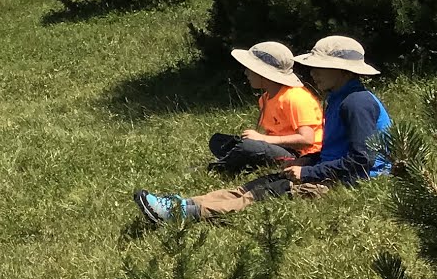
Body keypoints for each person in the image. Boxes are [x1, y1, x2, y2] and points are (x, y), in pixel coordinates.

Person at [136, 34, 391, 223]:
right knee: (253, 186)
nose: (313, 72)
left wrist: (310, 171)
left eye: (321, 67)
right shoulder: (338, 99)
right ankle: (181, 204)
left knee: (264, 193)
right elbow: (335, 150)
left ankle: (183, 214)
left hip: (350, 180)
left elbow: (362, 160)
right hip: (331, 170)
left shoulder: (357, 103)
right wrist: (308, 161)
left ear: (345, 72)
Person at [206, 41, 323, 174]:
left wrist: (263, 139)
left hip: (300, 154)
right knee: (217, 141)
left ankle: (222, 167)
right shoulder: (264, 99)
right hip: (277, 147)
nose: (246, 73)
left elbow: (307, 140)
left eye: (250, 69)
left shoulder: (295, 97)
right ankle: (240, 161)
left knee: (248, 146)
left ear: (264, 73)